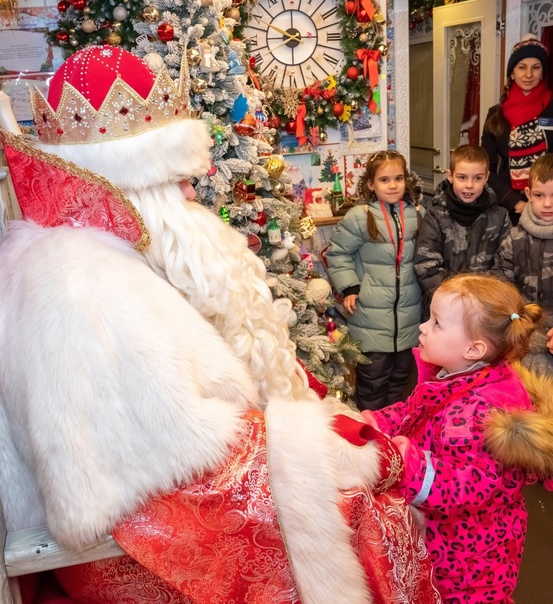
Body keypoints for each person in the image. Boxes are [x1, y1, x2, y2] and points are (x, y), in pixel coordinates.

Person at [0, 47, 441, 604]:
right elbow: (190, 466)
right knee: (379, 516)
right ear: (134, 185)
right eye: (177, 180)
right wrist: (324, 450)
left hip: (141, 531)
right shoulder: (83, 283)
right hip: (128, 561)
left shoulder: (98, 253)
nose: (192, 192)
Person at [362, 273, 553, 603]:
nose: (423, 327)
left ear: (473, 348)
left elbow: (463, 486)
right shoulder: (455, 377)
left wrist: (409, 464)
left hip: (470, 555)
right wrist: (373, 423)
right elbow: (414, 411)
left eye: (436, 323)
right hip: (451, 542)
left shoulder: (478, 412)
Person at [325, 150, 423, 411]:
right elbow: (338, 253)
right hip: (370, 314)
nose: (393, 185)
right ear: (371, 184)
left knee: (402, 376)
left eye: (398, 178)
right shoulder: (359, 216)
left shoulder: (415, 213)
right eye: (384, 180)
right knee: (373, 378)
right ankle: (374, 428)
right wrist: (350, 288)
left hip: (408, 316)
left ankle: (395, 425)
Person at [414, 144, 511, 317]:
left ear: (487, 177)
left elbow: (506, 263)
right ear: (450, 176)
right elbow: (426, 263)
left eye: (477, 178)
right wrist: (454, 299)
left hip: (485, 309)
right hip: (444, 309)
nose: (469, 185)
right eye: (462, 177)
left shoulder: (500, 215)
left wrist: (481, 298)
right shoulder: (436, 214)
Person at [482, 35, 553, 225]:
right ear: (512, 73)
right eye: (522, 67)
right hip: (510, 210)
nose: (528, 74)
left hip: (550, 206)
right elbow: (486, 168)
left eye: (536, 67)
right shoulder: (495, 114)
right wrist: (517, 203)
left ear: (543, 72)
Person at [494, 153, 553, 375]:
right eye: (539, 195)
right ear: (528, 194)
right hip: (523, 344)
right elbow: (501, 290)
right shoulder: (514, 239)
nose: (547, 203)